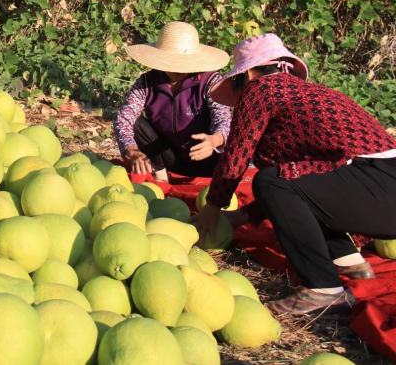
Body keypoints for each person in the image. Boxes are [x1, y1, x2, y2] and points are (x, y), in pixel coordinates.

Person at [196, 33, 396, 315]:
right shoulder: (301, 94)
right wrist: (242, 217)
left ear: (249, 73)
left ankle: (324, 287)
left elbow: (236, 155)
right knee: (290, 181)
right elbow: (305, 186)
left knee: (270, 179)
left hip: (377, 185)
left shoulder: (261, 88)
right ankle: (348, 260)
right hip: (381, 188)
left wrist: (212, 208)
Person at [114, 21, 232, 182]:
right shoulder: (147, 82)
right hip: (168, 157)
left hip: (206, 158)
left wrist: (213, 141)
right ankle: (161, 174)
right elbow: (124, 117)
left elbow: (224, 120)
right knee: (137, 123)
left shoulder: (210, 82)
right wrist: (132, 151)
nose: (176, 69)